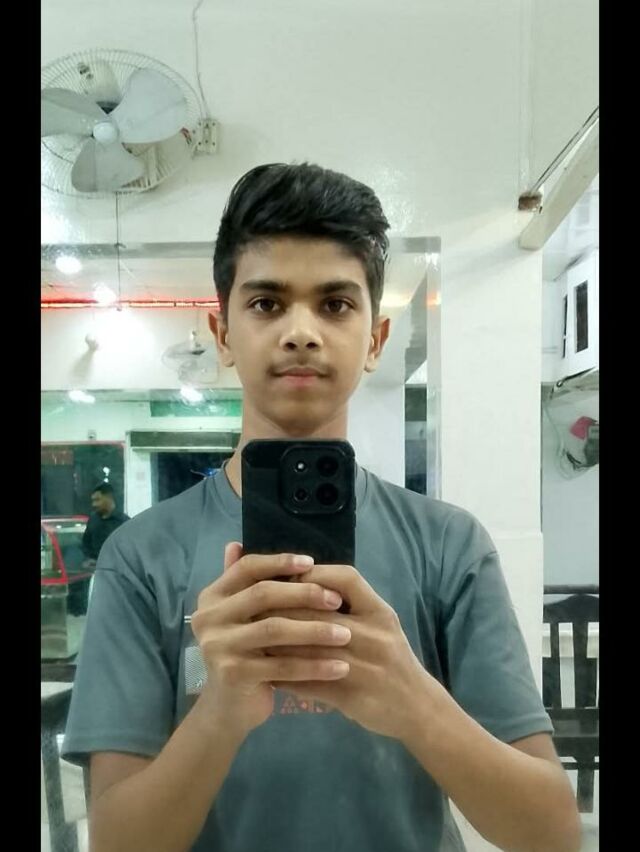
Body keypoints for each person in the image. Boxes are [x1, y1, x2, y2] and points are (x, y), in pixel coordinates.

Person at [64, 164, 581, 852]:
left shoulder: (449, 546)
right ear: (223, 334)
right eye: (266, 303)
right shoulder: (140, 557)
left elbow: (550, 834)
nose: (300, 332)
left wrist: (412, 699)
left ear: (376, 340)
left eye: (335, 304)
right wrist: (220, 711)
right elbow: (117, 843)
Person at [81, 483, 129, 566]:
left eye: (97, 500)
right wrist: (89, 559)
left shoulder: (124, 522)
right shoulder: (93, 520)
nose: (94, 504)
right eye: (93, 501)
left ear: (109, 498)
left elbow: (129, 551)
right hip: (96, 570)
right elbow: (86, 544)